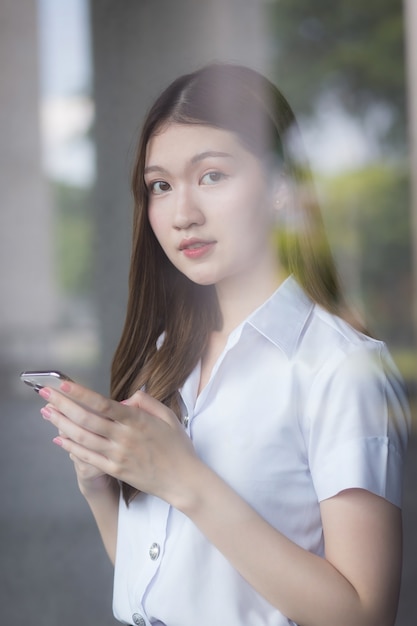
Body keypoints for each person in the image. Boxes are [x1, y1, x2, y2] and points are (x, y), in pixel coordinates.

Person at [39, 64, 410, 626]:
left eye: (211, 175)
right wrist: (99, 485)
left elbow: (365, 614)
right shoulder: (165, 355)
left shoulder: (339, 367)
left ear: (284, 185)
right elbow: (160, 587)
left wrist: (185, 480)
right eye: (160, 185)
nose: (182, 214)